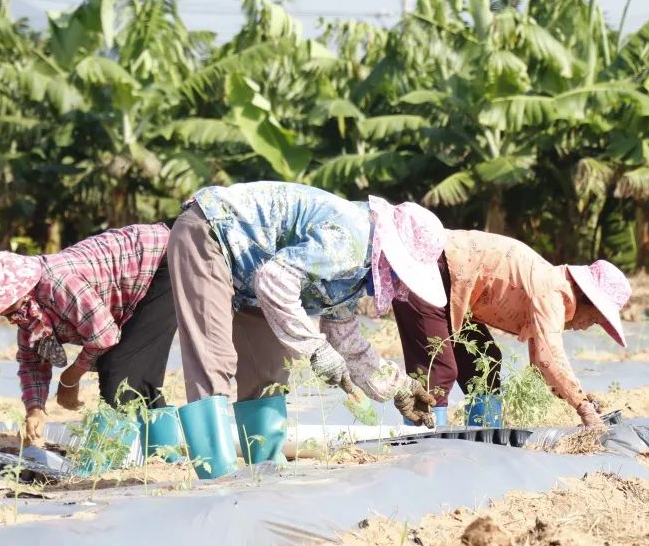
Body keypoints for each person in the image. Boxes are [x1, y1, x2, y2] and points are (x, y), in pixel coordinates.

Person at [167, 181, 445, 426]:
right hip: (211, 233)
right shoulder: (351, 240)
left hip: (255, 270)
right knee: (214, 360)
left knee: (268, 371)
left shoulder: (358, 269)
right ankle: (218, 477)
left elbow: (344, 338)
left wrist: (400, 388)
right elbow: (275, 279)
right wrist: (315, 347)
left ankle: (263, 472)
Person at [392, 230, 633, 428]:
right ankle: (423, 449)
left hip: (458, 289)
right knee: (438, 371)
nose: (586, 327)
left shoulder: (552, 287)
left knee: (485, 360)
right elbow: (551, 356)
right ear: (586, 298)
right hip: (431, 266)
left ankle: (483, 437)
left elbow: (541, 361)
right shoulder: (552, 292)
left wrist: (578, 397)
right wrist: (583, 408)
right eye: (594, 319)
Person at [0, 223, 177, 446]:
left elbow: (104, 336)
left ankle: (119, 456)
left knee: (120, 370)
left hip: (159, 261)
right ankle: (162, 451)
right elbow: (31, 361)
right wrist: (35, 410)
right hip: (139, 280)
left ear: (21, 292)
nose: (8, 319)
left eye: (6, 308)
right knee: (130, 370)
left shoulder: (56, 283)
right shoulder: (26, 309)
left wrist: (70, 378)